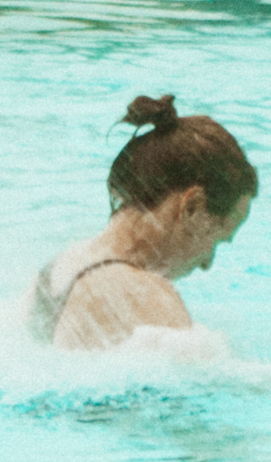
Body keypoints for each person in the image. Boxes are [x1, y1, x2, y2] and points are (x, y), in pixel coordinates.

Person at [31, 92, 258, 351]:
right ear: (192, 207)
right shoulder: (146, 296)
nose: (207, 264)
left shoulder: (51, 277)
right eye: (216, 240)